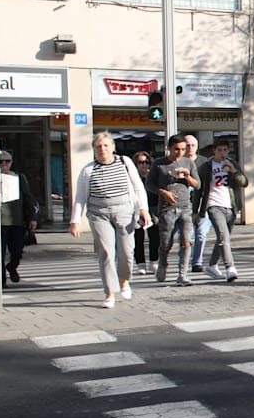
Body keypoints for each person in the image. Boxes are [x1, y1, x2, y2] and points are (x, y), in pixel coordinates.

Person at [70, 131, 151, 308]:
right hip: (99, 213)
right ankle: (109, 292)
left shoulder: (125, 162)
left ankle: (124, 281)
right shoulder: (88, 170)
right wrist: (75, 220)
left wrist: (144, 209)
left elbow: (138, 187)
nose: (102, 149)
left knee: (126, 251)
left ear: (112, 147)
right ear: (93, 149)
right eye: (98, 146)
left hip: (124, 210)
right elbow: (80, 197)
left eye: (106, 145)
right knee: (106, 252)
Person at [151, 134, 199, 286]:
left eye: (183, 149)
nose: (180, 153)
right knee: (166, 242)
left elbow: (197, 185)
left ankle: (182, 274)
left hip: (185, 207)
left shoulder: (188, 163)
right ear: (169, 148)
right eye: (176, 149)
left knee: (186, 241)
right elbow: (149, 184)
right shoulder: (159, 164)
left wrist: (187, 176)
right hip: (167, 209)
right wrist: (163, 192)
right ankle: (163, 262)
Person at [194, 140, 246, 282]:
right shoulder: (206, 167)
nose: (223, 153)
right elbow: (199, 190)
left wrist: (233, 171)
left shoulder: (232, 164)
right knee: (224, 237)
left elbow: (244, 182)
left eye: (225, 150)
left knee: (223, 238)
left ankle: (212, 265)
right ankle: (230, 268)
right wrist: (196, 211)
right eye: (220, 150)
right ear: (214, 151)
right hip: (213, 205)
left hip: (230, 206)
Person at [0, 151, 40, 287]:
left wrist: (32, 218)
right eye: (1, 161)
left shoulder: (19, 177)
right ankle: (1, 280)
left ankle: (12, 266)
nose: (4, 164)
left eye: (7, 161)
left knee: (17, 251)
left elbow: (28, 198)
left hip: (16, 221)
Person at [184, 134, 211, 272]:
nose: (190, 148)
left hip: (200, 203)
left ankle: (197, 262)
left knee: (201, 233)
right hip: (183, 203)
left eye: (193, 145)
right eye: (187, 145)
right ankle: (180, 262)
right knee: (184, 236)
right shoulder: (179, 161)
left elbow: (206, 186)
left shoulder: (203, 162)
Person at [130, 151, 159, 276]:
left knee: (155, 236)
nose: (144, 165)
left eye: (147, 162)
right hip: (136, 209)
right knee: (138, 237)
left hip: (153, 208)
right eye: (141, 162)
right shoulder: (132, 178)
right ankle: (140, 264)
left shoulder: (153, 176)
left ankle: (154, 261)